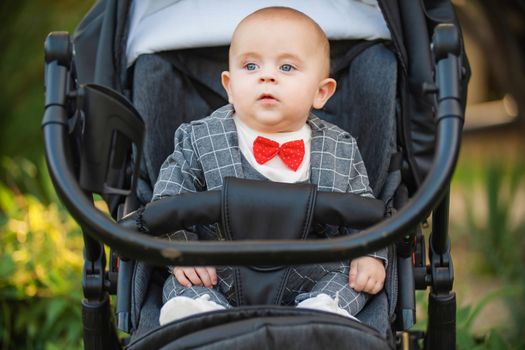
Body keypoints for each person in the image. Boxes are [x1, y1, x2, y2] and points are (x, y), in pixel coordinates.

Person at [152, 6, 387, 325]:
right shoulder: (199, 138)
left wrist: (369, 253)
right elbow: (167, 202)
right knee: (181, 284)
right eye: (250, 65)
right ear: (230, 86)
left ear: (321, 93)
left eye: (287, 67)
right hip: (219, 269)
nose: (267, 75)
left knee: (355, 278)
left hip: (313, 269)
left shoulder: (340, 147)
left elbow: (363, 210)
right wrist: (181, 251)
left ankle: (323, 310)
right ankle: (202, 313)